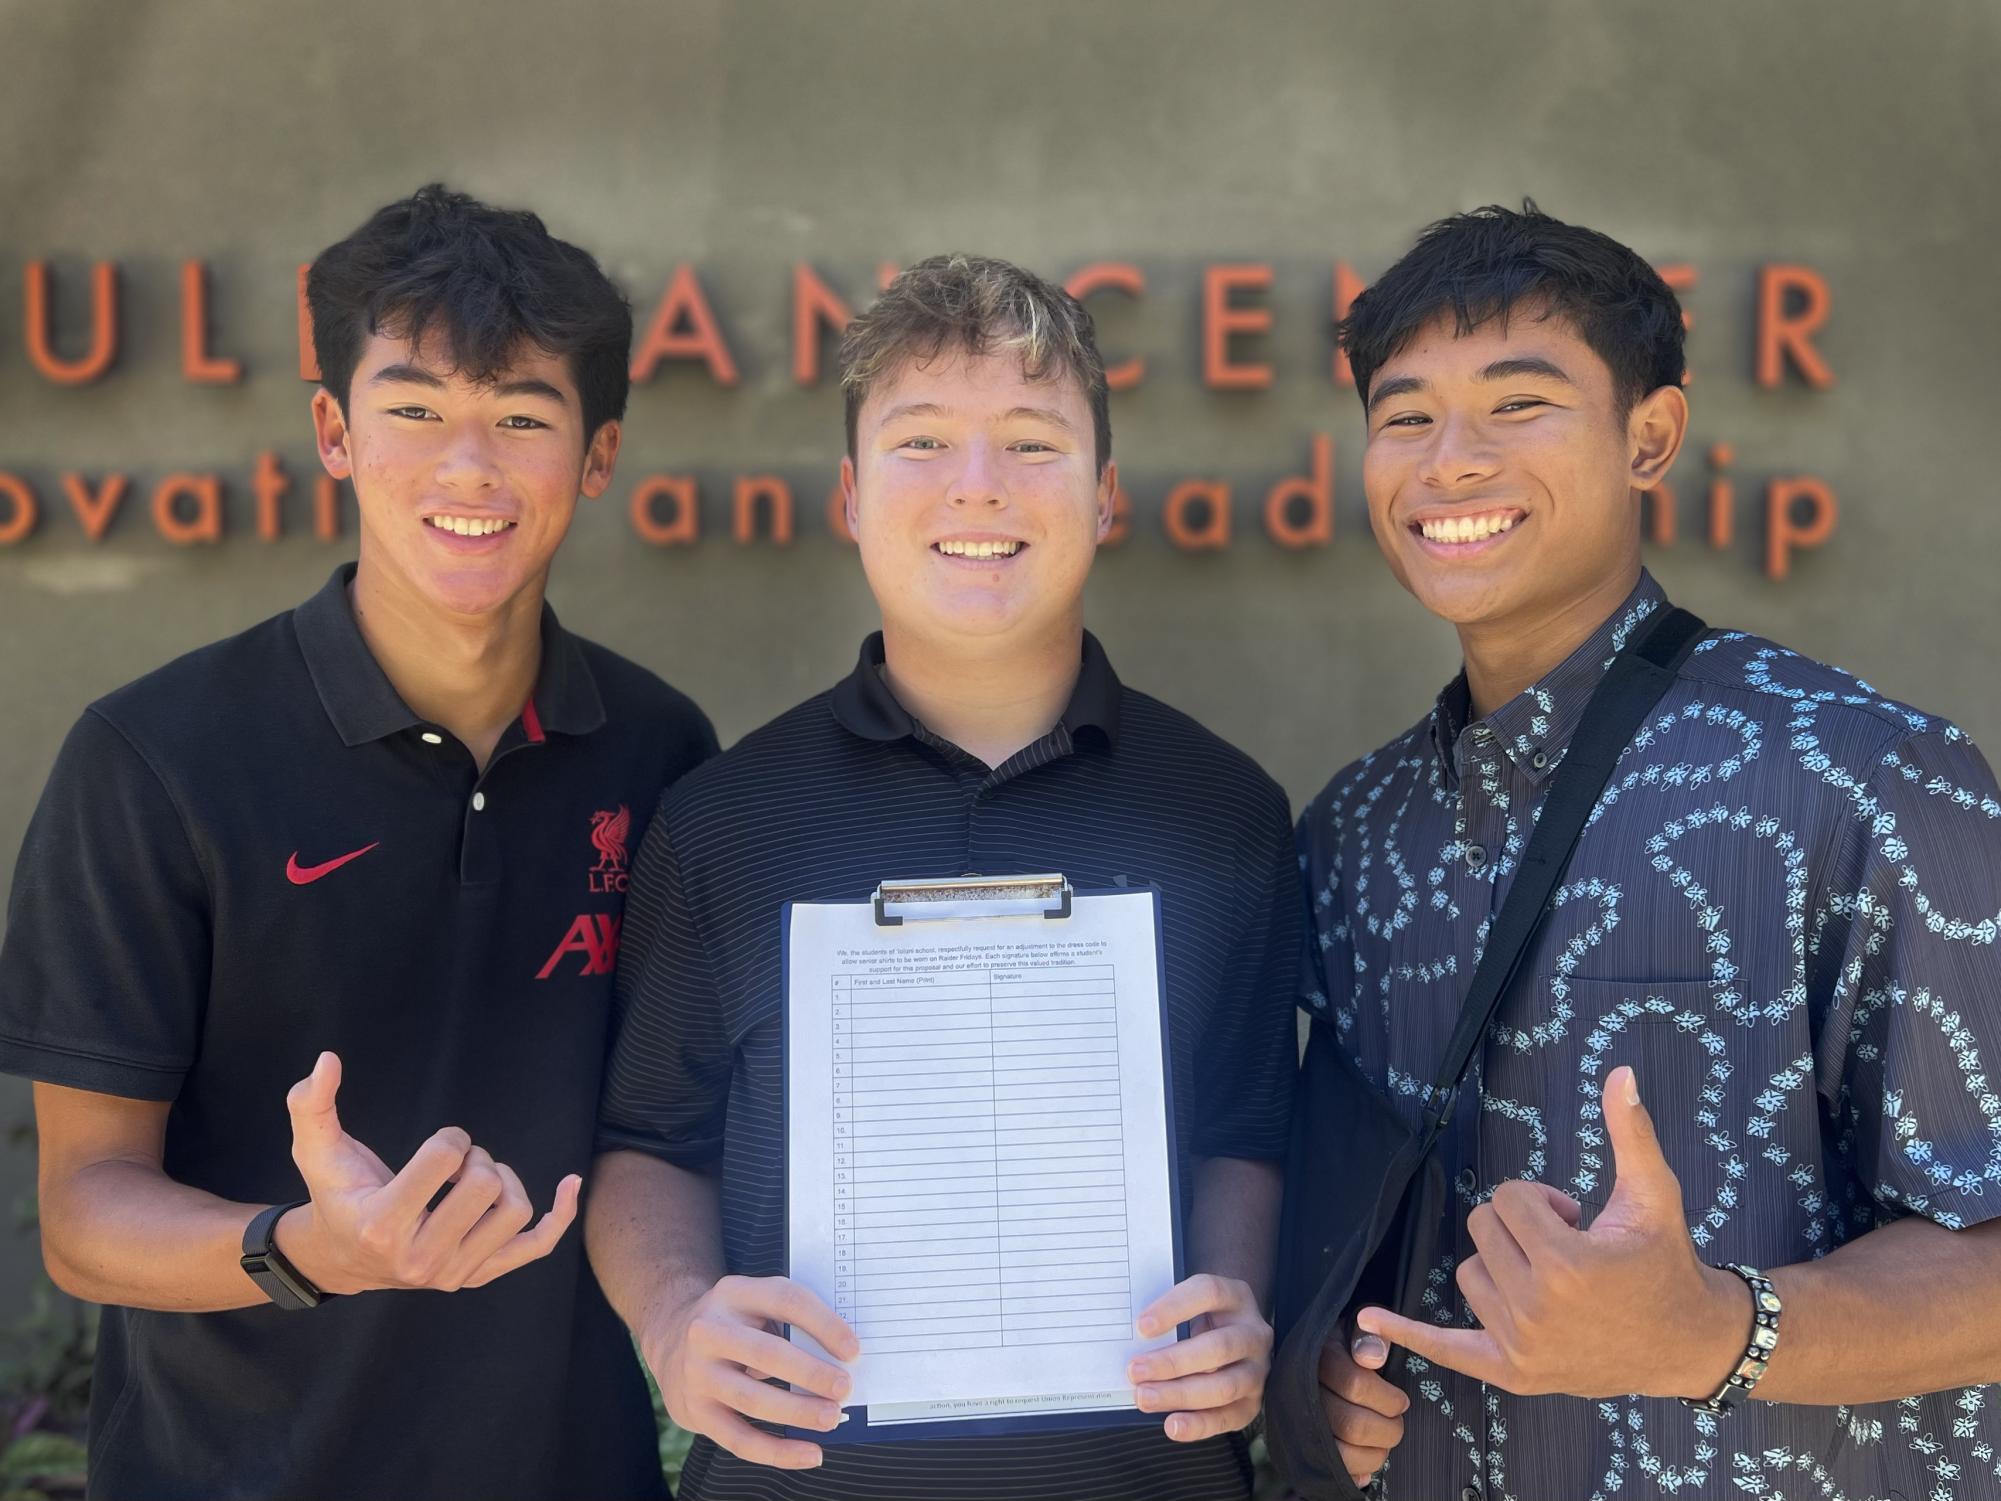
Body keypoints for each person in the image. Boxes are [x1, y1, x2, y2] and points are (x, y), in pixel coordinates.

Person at [0, 185, 716, 1500]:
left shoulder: (661, 752)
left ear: (597, 455)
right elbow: (85, 1212)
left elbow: (672, 1135)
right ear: (334, 429)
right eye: (416, 409)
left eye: (519, 416)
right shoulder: (156, 758)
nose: (467, 466)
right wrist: (309, 1245)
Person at [1281, 202, 2001, 1500]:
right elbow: (1339, 1223)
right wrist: (1318, 1364)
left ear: (1649, 436)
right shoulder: (1350, 831)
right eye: (1404, 416)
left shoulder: (1864, 777)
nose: (1450, 462)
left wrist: (1712, 1331)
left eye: (1519, 403)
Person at [587, 254, 1298, 1501]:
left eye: (1032, 442)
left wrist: (1240, 1309)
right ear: (854, 497)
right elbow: (649, 1140)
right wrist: (673, 1326)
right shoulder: (724, 821)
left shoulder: (1224, 811)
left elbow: (1246, 1130)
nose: (978, 486)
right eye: (922, 443)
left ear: (1107, 493)